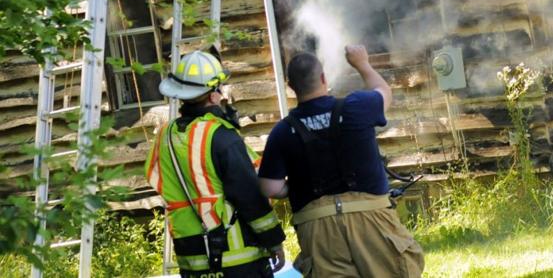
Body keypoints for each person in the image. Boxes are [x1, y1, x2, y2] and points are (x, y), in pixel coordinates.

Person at [258, 45, 424, 277]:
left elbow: (270, 187)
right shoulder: (358, 106)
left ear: (291, 86)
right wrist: (361, 63)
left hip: (318, 228)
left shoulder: (283, 131)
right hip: (372, 218)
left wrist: (293, 186)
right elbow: (383, 90)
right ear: (323, 78)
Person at [145, 50, 286, 277]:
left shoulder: (164, 135)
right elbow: (248, 195)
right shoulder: (220, 136)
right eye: (219, 89)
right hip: (236, 257)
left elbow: (155, 177)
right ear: (212, 95)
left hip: (190, 258)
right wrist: (274, 240)